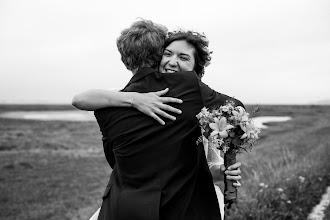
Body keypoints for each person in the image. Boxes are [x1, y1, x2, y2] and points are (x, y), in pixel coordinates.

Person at [73, 19, 242, 220]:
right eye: (168, 53)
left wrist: (220, 169)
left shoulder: (105, 107)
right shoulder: (189, 88)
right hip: (183, 207)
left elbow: (115, 160)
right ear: (158, 55)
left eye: (183, 57)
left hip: (123, 208)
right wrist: (134, 99)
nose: (172, 62)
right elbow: (236, 109)